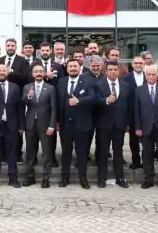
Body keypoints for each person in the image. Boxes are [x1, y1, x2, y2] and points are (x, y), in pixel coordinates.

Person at [56, 59, 95, 189]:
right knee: (65, 153)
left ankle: (83, 179)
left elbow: (93, 98)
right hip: (65, 124)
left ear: (80, 68)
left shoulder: (88, 81)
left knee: (82, 154)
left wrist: (79, 101)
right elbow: (58, 102)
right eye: (70, 66)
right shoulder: (61, 82)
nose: (73, 68)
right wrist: (57, 120)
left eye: (75, 66)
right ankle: (64, 178)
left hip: (82, 124)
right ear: (67, 69)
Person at [134, 65, 158, 191]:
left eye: (153, 74)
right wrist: (138, 127)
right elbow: (136, 111)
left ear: (157, 76)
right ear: (146, 76)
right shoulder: (139, 90)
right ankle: (148, 180)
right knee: (147, 155)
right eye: (149, 75)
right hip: (146, 128)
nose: (151, 77)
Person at [0, 64, 24, 188]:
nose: (1, 73)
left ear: (7, 72)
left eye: (3, 71)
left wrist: (21, 126)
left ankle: (13, 178)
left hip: (11, 125)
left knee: (12, 153)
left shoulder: (15, 87)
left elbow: (19, 108)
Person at [96, 61, 131, 189]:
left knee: (118, 152)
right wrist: (106, 100)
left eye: (115, 69)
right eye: (110, 69)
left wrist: (127, 123)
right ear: (106, 71)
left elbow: (129, 106)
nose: (113, 72)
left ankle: (120, 178)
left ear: (119, 71)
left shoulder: (125, 86)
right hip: (104, 125)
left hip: (119, 125)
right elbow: (94, 102)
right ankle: (102, 178)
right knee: (103, 152)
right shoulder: (99, 85)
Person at [21, 64, 57, 188]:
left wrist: (52, 126)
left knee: (47, 153)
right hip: (30, 124)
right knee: (30, 153)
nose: (38, 73)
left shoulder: (50, 88)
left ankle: (46, 178)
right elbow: (23, 102)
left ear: (44, 73)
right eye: (36, 71)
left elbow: (54, 109)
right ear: (32, 74)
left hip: (45, 125)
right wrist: (28, 96)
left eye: (41, 71)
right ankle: (30, 177)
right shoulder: (27, 87)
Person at [123, 56, 146, 169]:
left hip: (146, 113)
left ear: (144, 64)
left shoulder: (149, 76)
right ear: (132, 65)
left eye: (140, 63)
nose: (138, 65)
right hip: (132, 113)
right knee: (133, 139)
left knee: (147, 139)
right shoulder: (126, 78)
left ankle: (146, 161)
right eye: (136, 63)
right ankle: (136, 160)